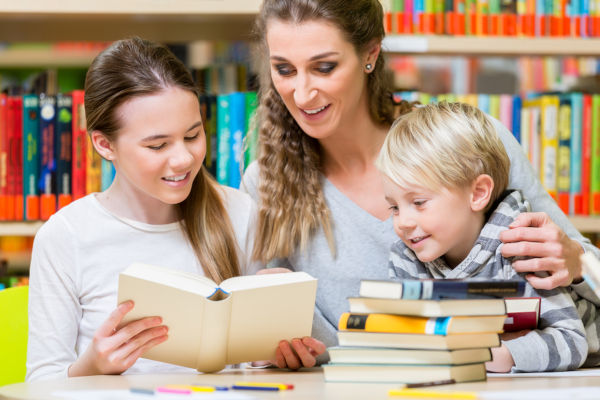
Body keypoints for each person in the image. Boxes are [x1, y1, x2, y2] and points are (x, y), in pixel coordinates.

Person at [241, 0, 600, 363]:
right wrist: (282, 343)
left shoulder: (463, 140)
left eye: (324, 67)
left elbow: (588, 288)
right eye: (284, 70)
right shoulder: (266, 183)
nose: (301, 94)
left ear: (370, 54)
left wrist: (577, 261)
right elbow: (268, 344)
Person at [26, 38, 324, 382]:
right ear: (104, 145)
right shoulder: (66, 237)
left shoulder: (239, 212)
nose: (183, 159)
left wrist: (273, 350)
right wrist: (92, 365)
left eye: (193, 135)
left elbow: (252, 368)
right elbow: (40, 384)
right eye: (158, 145)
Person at [376, 102, 587, 372]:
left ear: (477, 194)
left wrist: (501, 353)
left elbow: (573, 340)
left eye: (419, 202)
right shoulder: (405, 257)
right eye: (394, 207)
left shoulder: (521, 248)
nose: (403, 222)